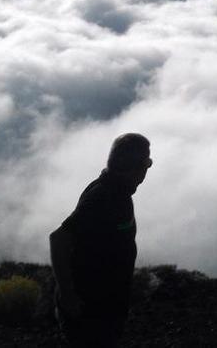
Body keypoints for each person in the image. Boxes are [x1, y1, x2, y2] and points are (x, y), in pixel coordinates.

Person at [50, 133, 152, 347]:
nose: (147, 170)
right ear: (135, 166)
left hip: (104, 306)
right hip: (91, 309)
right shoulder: (104, 197)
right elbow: (59, 239)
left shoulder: (116, 192)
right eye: (147, 162)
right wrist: (68, 296)